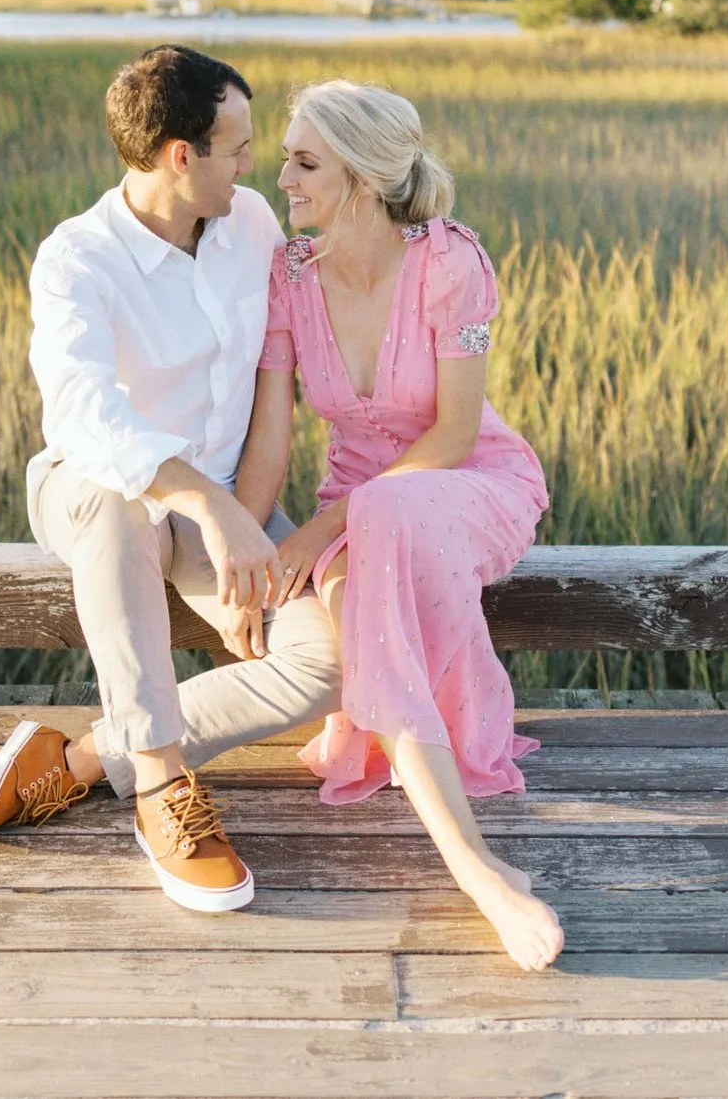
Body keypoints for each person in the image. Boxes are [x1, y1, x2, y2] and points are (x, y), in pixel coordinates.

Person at [0, 45, 341, 916]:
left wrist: (241, 523)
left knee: (329, 663)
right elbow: (84, 419)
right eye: (239, 148)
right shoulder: (77, 259)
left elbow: (272, 398)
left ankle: (85, 759)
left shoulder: (252, 229)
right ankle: (164, 788)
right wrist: (203, 503)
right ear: (181, 155)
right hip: (96, 495)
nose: (258, 168)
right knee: (116, 503)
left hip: (227, 504)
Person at [236, 79, 566, 972]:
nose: (284, 179)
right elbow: (270, 439)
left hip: (468, 485)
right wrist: (249, 544)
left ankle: (477, 872)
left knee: (380, 515)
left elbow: (454, 432)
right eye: (286, 159)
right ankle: (473, 856)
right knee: (361, 607)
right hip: (361, 508)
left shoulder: (451, 262)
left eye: (305, 162)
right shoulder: (288, 276)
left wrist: (318, 533)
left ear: (364, 175)